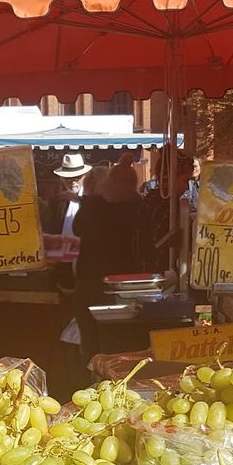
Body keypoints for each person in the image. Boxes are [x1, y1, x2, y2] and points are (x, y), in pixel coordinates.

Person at [71, 154, 145, 361]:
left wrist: (90, 198)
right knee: (121, 346)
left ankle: (91, 379)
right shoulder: (140, 207)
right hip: (128, 285)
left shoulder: (95, 208)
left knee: (92, 342)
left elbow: (78, 229)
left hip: (93, 283)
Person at [134, 144, 193, 273]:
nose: (187, 188)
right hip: (157, 272)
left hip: (149, 269)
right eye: (185, 180)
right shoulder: (164, 205)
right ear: (169, 177)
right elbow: (163, 246)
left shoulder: (152, 199)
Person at [43, 153, 91, 238]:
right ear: (62, 179)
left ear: (85, 177)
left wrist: (78, 199)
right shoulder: (58, 201)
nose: (72, 182)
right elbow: (51, 226)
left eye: (77, 178)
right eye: (68, 179)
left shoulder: (91, 197)